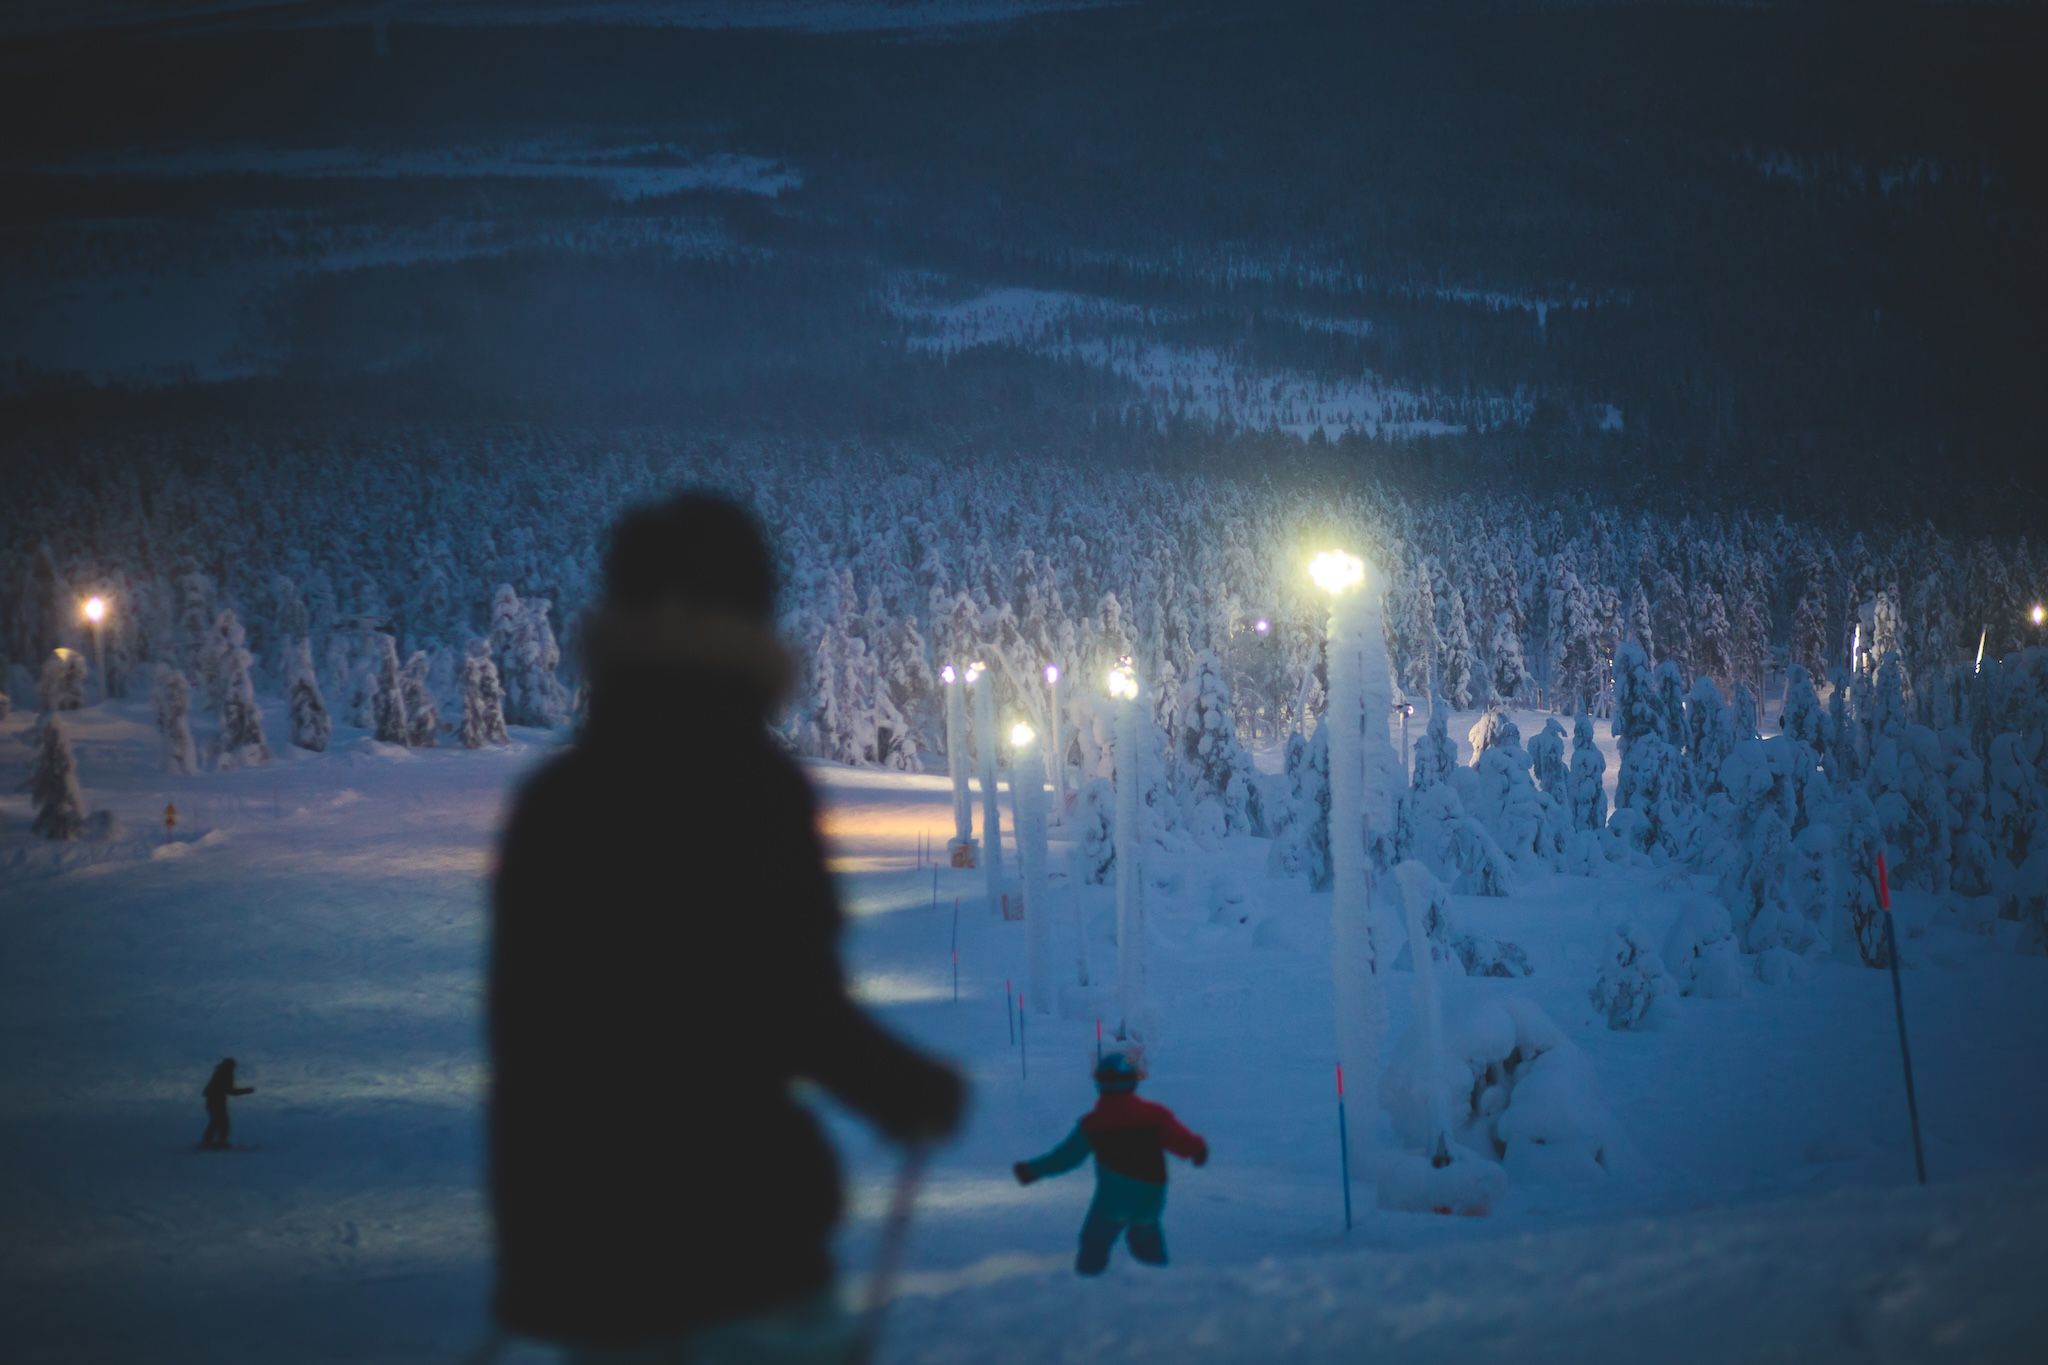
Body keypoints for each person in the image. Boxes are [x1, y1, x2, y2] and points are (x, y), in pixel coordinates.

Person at [487, 493, 965, 1361]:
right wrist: (907, 1089)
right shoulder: (751, 788)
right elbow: (790, 1002)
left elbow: (525, 1042)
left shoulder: (558, 803)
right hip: (744, 1248)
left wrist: (539, 1260)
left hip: (597, 1264)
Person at [1012, 1052, 1208, 1276]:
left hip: (1114, 1197)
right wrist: (1197, 1150)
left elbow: (1066, 1158)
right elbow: (1181, 1140)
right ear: (1132, 1082)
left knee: (1095, 1240)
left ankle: (1089, 1282)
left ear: (1100, 1085)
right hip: (1151, 1195)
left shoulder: (1093, 1123)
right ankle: (1158, 1282)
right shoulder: (1155, 1115)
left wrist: (1032, 1170)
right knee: (1146, 1237)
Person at [199, 1057, 253, 1149]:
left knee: (217, 1121)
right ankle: (217, 1142)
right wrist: (246, 1090)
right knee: (221, 1122)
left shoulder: (219, 1072)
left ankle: (209, 1141)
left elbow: (210, 1089)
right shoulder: (226, 1073)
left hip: (213, 1101)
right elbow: (230, 1090)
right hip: (217, 1101)